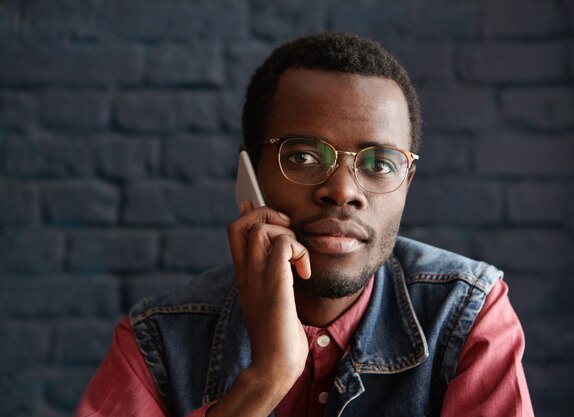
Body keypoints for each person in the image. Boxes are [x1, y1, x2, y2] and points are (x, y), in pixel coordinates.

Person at [75, 32, 534, 417]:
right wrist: (266, 377)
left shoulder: (466, 316)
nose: (343, 191)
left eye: (380, 163)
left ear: (407, 181)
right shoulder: (158, 342)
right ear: (249, 174)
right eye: (303, 156)